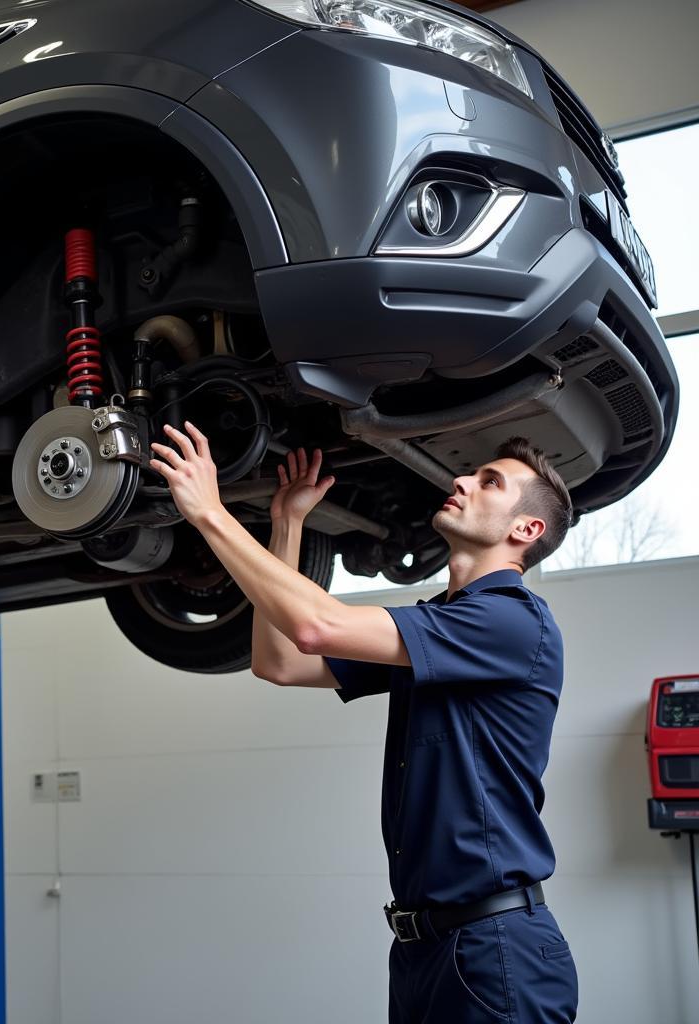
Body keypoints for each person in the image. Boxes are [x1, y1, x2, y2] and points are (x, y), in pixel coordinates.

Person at [149, 421, 578, 1024]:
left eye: (489, 482)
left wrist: (210, 513)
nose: (461, 480)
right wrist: (288, 525)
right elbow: (280, 662)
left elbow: (315, 626)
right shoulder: (443, 626)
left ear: (525, 530)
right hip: (425, 949)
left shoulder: (512, 623)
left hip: (495, 950)